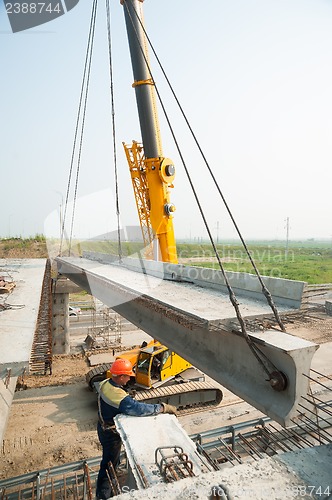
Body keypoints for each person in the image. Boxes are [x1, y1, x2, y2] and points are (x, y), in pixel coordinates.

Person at [96, 358, 176, 499]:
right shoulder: (119, 396)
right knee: (108, 465)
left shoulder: (104, 383)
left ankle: (112, 479)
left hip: (102, 427)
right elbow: (139, 409)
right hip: (110, 434)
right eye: (127, 376)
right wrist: (162, 408)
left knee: (112, 460)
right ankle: (103, 495)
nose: (129, 379)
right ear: (121, 377)